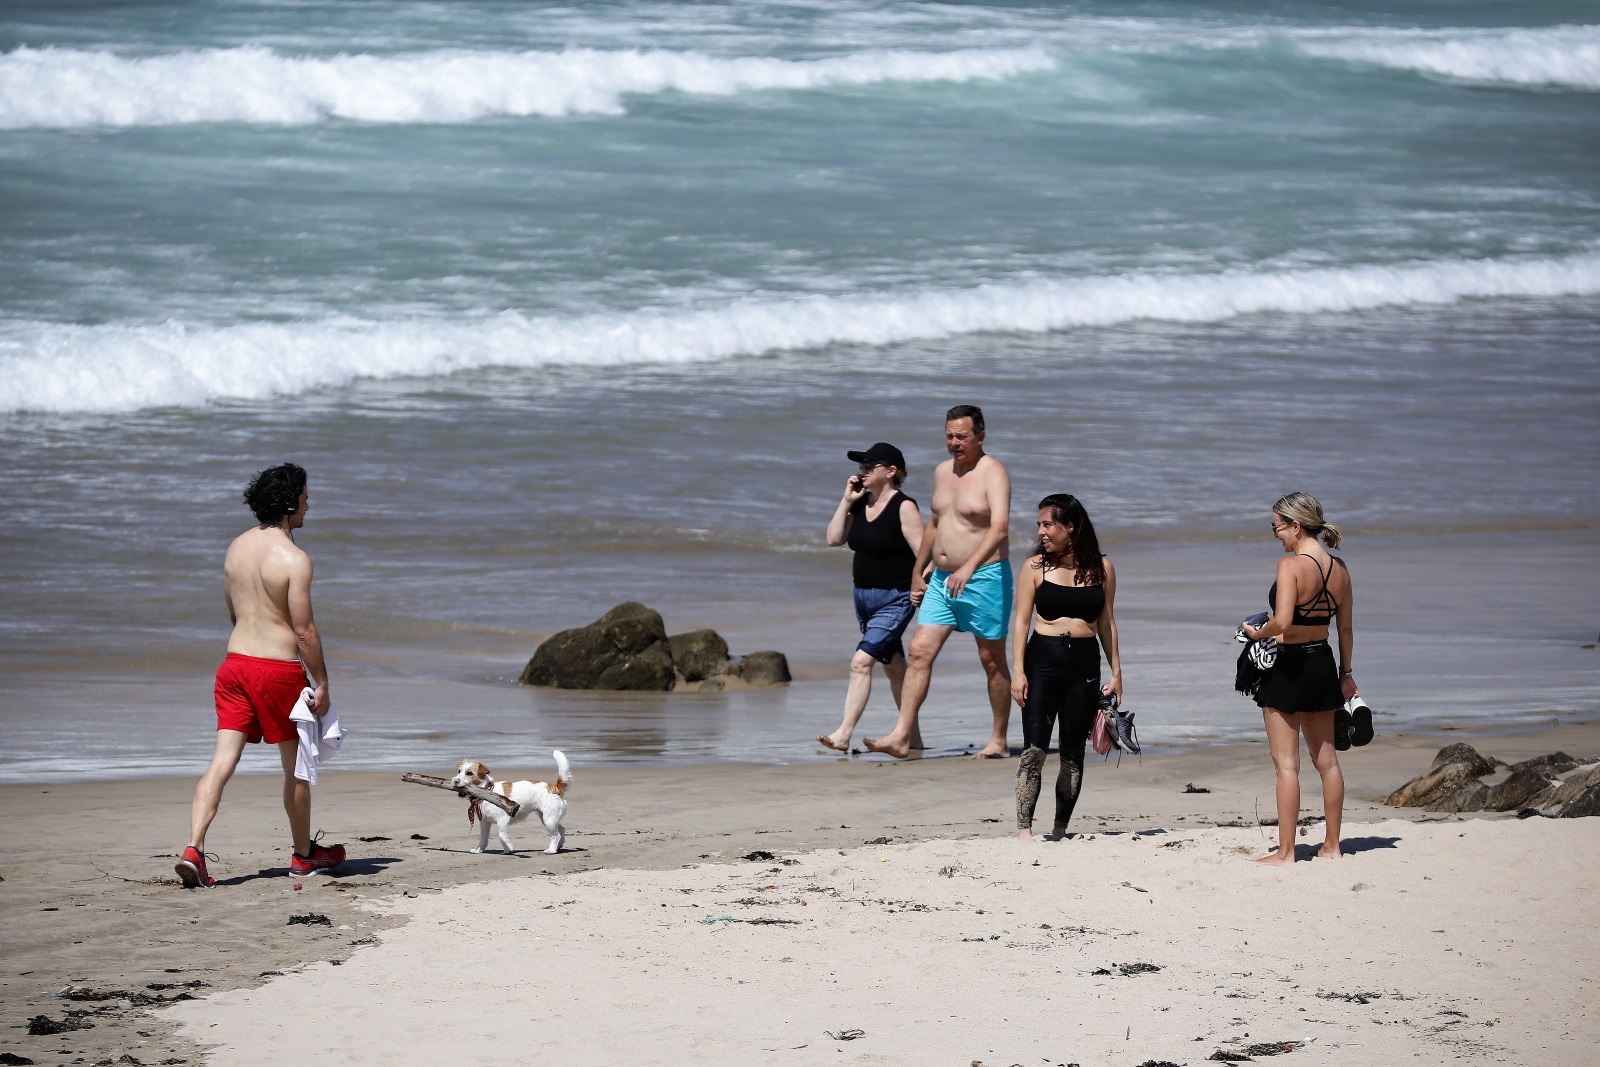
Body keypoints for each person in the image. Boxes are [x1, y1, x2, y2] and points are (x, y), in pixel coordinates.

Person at [174, 463, 346, 888]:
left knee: (221, 762)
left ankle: (194, 848)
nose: (309, 503)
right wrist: (321, 683)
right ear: (289, 503)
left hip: (233, 667)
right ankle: (304, 856)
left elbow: (235, 614)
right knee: (297, 769)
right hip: (277, 673)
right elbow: (303, 631)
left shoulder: (235, 548)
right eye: (305, 497)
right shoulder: (295, 559)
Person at [865, 405, 1012, 759]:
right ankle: (902, 735)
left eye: (962, 436)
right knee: (919, 651)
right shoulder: (942, 472)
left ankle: (998, 740)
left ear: (980, 436)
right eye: (949, 436)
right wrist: (919, 569)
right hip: (944, 580)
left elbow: (999, 528)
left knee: (990, 659)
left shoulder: (994, 473)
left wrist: (968, 567)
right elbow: (934, 522)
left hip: (985, 577)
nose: (954, 443)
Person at [1241, 492, 1356, 865]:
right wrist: (1346, 674)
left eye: (1277, 527)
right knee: (1328, 763)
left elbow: (1284, 622)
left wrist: (1255, 632)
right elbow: (1346, 630)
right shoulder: (1339, 568)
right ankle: (1332, 846)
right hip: (1323, 662)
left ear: (1296, 525)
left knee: (1286, 765)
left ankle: (1286, 852)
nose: (1276, 535)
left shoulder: (1290, 566)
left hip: (1288, 665)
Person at [1009, 494, 1122, 839]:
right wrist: (1018, 671)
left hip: (1084, 666)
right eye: (1039, 525)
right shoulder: (1034, 567)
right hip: (1042, 661)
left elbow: (1107, 623)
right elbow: (1021, 623)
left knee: (1073, 752)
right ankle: (1024, 831)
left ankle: (1059, 829)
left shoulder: (1102, 568)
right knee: (1035, 749)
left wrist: (1117, 672)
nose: (1040, 532)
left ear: (1069, 526)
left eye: (1047, 524)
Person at [819, 443, 926, 753]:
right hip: (863, 598)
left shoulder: (904, 506)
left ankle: (843, 734)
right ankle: (913, 738)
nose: (862, 470)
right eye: (861, 465)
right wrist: (845, 500)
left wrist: (924, 588)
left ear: (891, 471)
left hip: (896, 598)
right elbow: (833, 538)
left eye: (870, 465)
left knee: (860, 662)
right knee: (893, 667)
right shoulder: (858, 503)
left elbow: (923, 553)